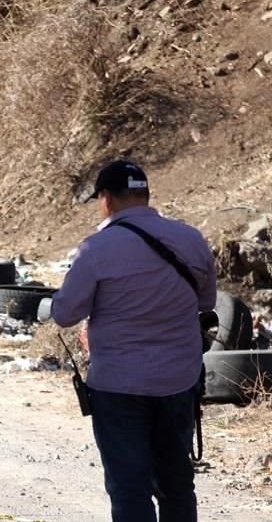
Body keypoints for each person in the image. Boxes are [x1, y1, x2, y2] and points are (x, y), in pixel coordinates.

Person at [51, 159, 217, 522]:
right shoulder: (192, 239)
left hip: (118, 386)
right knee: (177, 486)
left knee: (129, 490)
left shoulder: (97, 248)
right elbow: (205, 304)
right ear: (146, 195)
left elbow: (64, 314)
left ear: (106, 198)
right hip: (179, 381)